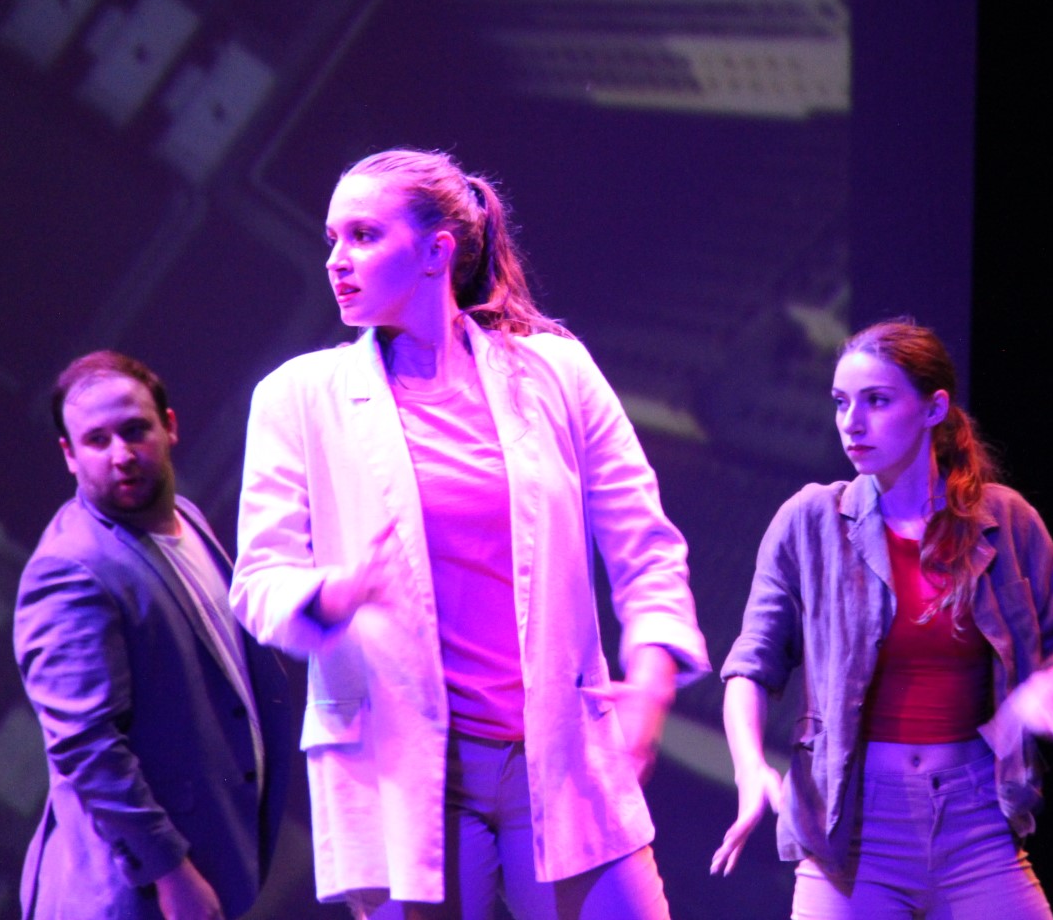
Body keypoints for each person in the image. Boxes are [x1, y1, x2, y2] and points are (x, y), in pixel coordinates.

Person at [229, 148, 709, 920]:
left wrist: (651, 684)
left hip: (560, 757)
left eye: (363, 235)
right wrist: (334, 592)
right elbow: (259, 581)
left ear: (436, 251)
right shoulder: (298, 396)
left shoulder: (554, 372)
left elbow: (644, 544)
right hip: (405, 765)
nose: (336, 260)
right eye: (332, 239)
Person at [712, 319, 1053, 919]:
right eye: (841, 402)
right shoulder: (811, 521)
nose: (852, 422)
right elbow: (751, 666)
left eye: (876, 401)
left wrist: (1048, 691)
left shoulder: (1006, 521)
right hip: (852, 829)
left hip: (975, 820)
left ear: (933, 408)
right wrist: (749, 768)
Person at [13, 351, 290, 920]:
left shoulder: (186, 517)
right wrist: (170, 873)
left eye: (134, 430)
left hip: (202, 865)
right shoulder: (70, 568)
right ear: (69, 455)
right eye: (96, 440)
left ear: (169, 426)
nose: (121, 454)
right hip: (126, 893)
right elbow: (86, 746)